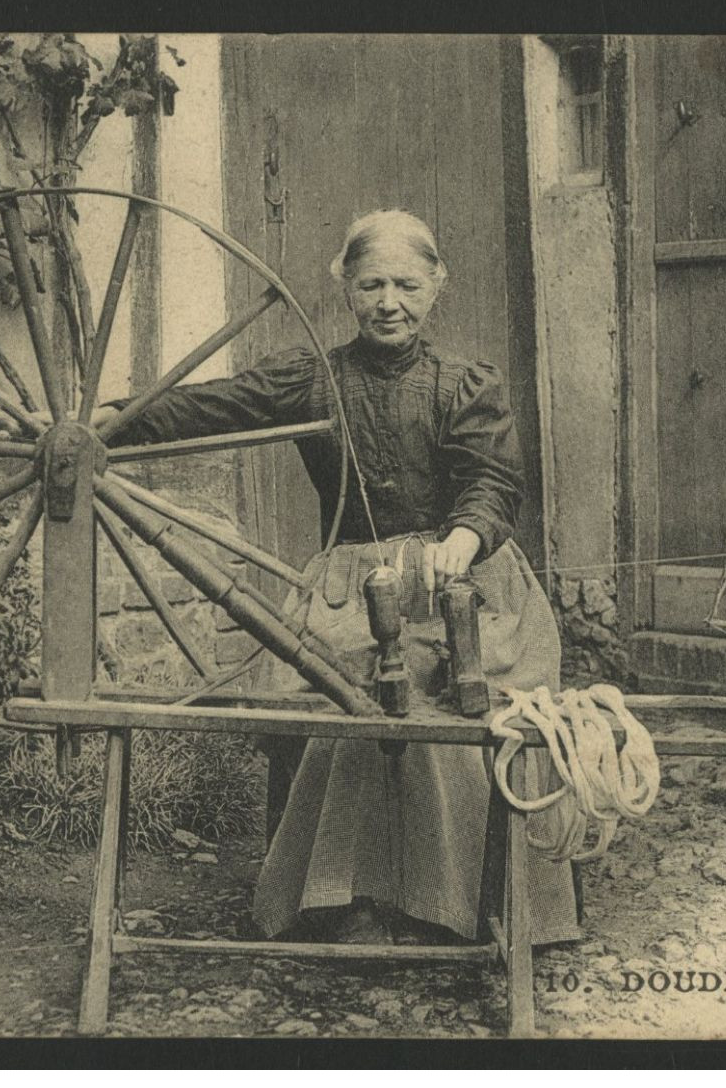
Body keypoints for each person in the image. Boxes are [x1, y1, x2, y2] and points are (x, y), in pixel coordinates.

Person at [100, 209, 579, 946]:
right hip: (350, 585)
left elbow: (491, 480)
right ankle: (342, 899)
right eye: (372, 285)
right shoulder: (313, 380)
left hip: (467, 583)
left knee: (454, 708)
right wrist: (103, 425)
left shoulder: (464, 385)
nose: (390, 302)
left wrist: (462, 535)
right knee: (342, 696)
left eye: (407, 285)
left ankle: (461, 905)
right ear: (346, 288)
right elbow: (209, 407)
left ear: (437, 286)